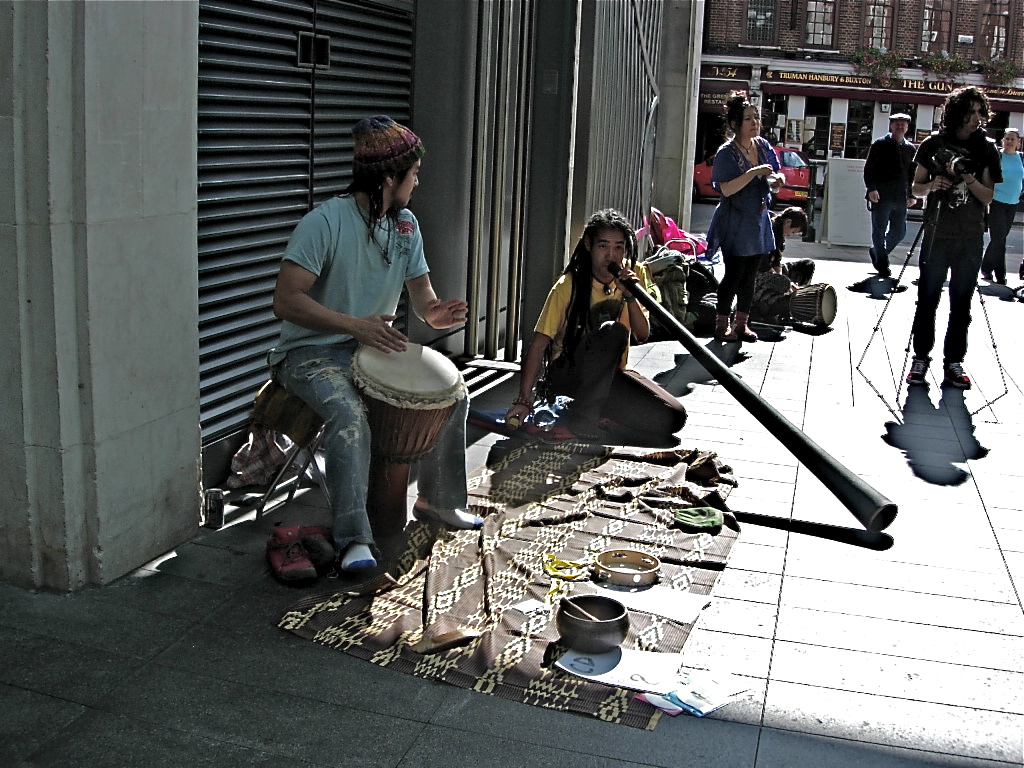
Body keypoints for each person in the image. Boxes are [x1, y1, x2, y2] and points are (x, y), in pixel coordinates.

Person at [268, 115, 479, 574]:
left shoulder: (405, 226)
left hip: (370, 348)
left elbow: (423, 300)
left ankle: (438, 501)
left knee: (454, 392)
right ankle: (353, 540)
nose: (418, 182)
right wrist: (353, 326)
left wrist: (435, 313)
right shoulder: (323, 222)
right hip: (309, 354)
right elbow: (286, 300)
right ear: (388, 179)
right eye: (414, 174)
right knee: (349, 413)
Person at [503, 209, 687, 442]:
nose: (611, 256)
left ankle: (594, 408)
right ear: (589, 245)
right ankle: (584, 417)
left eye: (618, 247)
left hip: (609, 376)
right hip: (569, 373)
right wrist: (524, 400)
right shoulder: (569, 284)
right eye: (603, 247)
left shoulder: (634, 273)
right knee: (613, 331)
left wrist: (630, 296)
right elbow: (539, 345)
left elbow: (642, 334)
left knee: (672, 417)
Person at [906, 87, 1002, 390]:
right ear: (957, 113)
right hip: (936, 233)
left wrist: (969, 177)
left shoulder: (987, 148)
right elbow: (915, 189)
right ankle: (920, 358)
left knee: (961, 303)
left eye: (980, 112)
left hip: (970, 236)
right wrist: (934, 184)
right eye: (971, 112)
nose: (977, 119)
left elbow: (988, 196)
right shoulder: (933, 144)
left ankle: (954, 362)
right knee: (928, 300)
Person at [705, 91, 783, 342]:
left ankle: (742, 324)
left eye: (756, 118)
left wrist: (776, 180)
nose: (755, 123)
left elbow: (774, 175)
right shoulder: (727, 152)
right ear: (736, 123)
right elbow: (726, 188)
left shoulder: (762, 145)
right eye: (748, 119)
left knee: (751, 274)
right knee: (734, 273)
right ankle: (721, 324)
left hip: (758, 220)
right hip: (735, 221)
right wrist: (753, 172)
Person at [863, 113, 917, 278]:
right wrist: (871, 188)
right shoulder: (880, 144)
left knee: (899, 232)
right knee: (879, 232)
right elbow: (869, 168)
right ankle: (883, 264)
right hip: (882, 195)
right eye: (897, 124)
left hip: (901, 197)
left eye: (903, 124)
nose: (900, 127)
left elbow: (912, 175)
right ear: (891, 126)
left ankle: (878, 252)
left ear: (907, 127)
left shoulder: (910, 149)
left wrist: (912, 195)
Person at [750, 207, 812, 325]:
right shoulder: (768, 229)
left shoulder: (780, 235)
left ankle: (793, 298)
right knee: (784, 283)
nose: (790, 234)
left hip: (769, 271)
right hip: (757, 274)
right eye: (793, 231)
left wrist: (781, 277)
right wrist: (785, 282)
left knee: (807, 265)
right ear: (787, 222)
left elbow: (776, 262)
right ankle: (773, 303)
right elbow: (762, 263)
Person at [980, 127, 1023, 285]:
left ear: (1019, 142)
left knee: (1000, 238)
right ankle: (1000, 275)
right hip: (996, 202)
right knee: (999, 240)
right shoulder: (997, 156)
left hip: (1013, 204)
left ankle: (986, 267)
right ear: (1002, 141)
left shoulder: (1021, 158)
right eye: (1007, 139)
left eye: (1013, 139)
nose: (1010, 142)